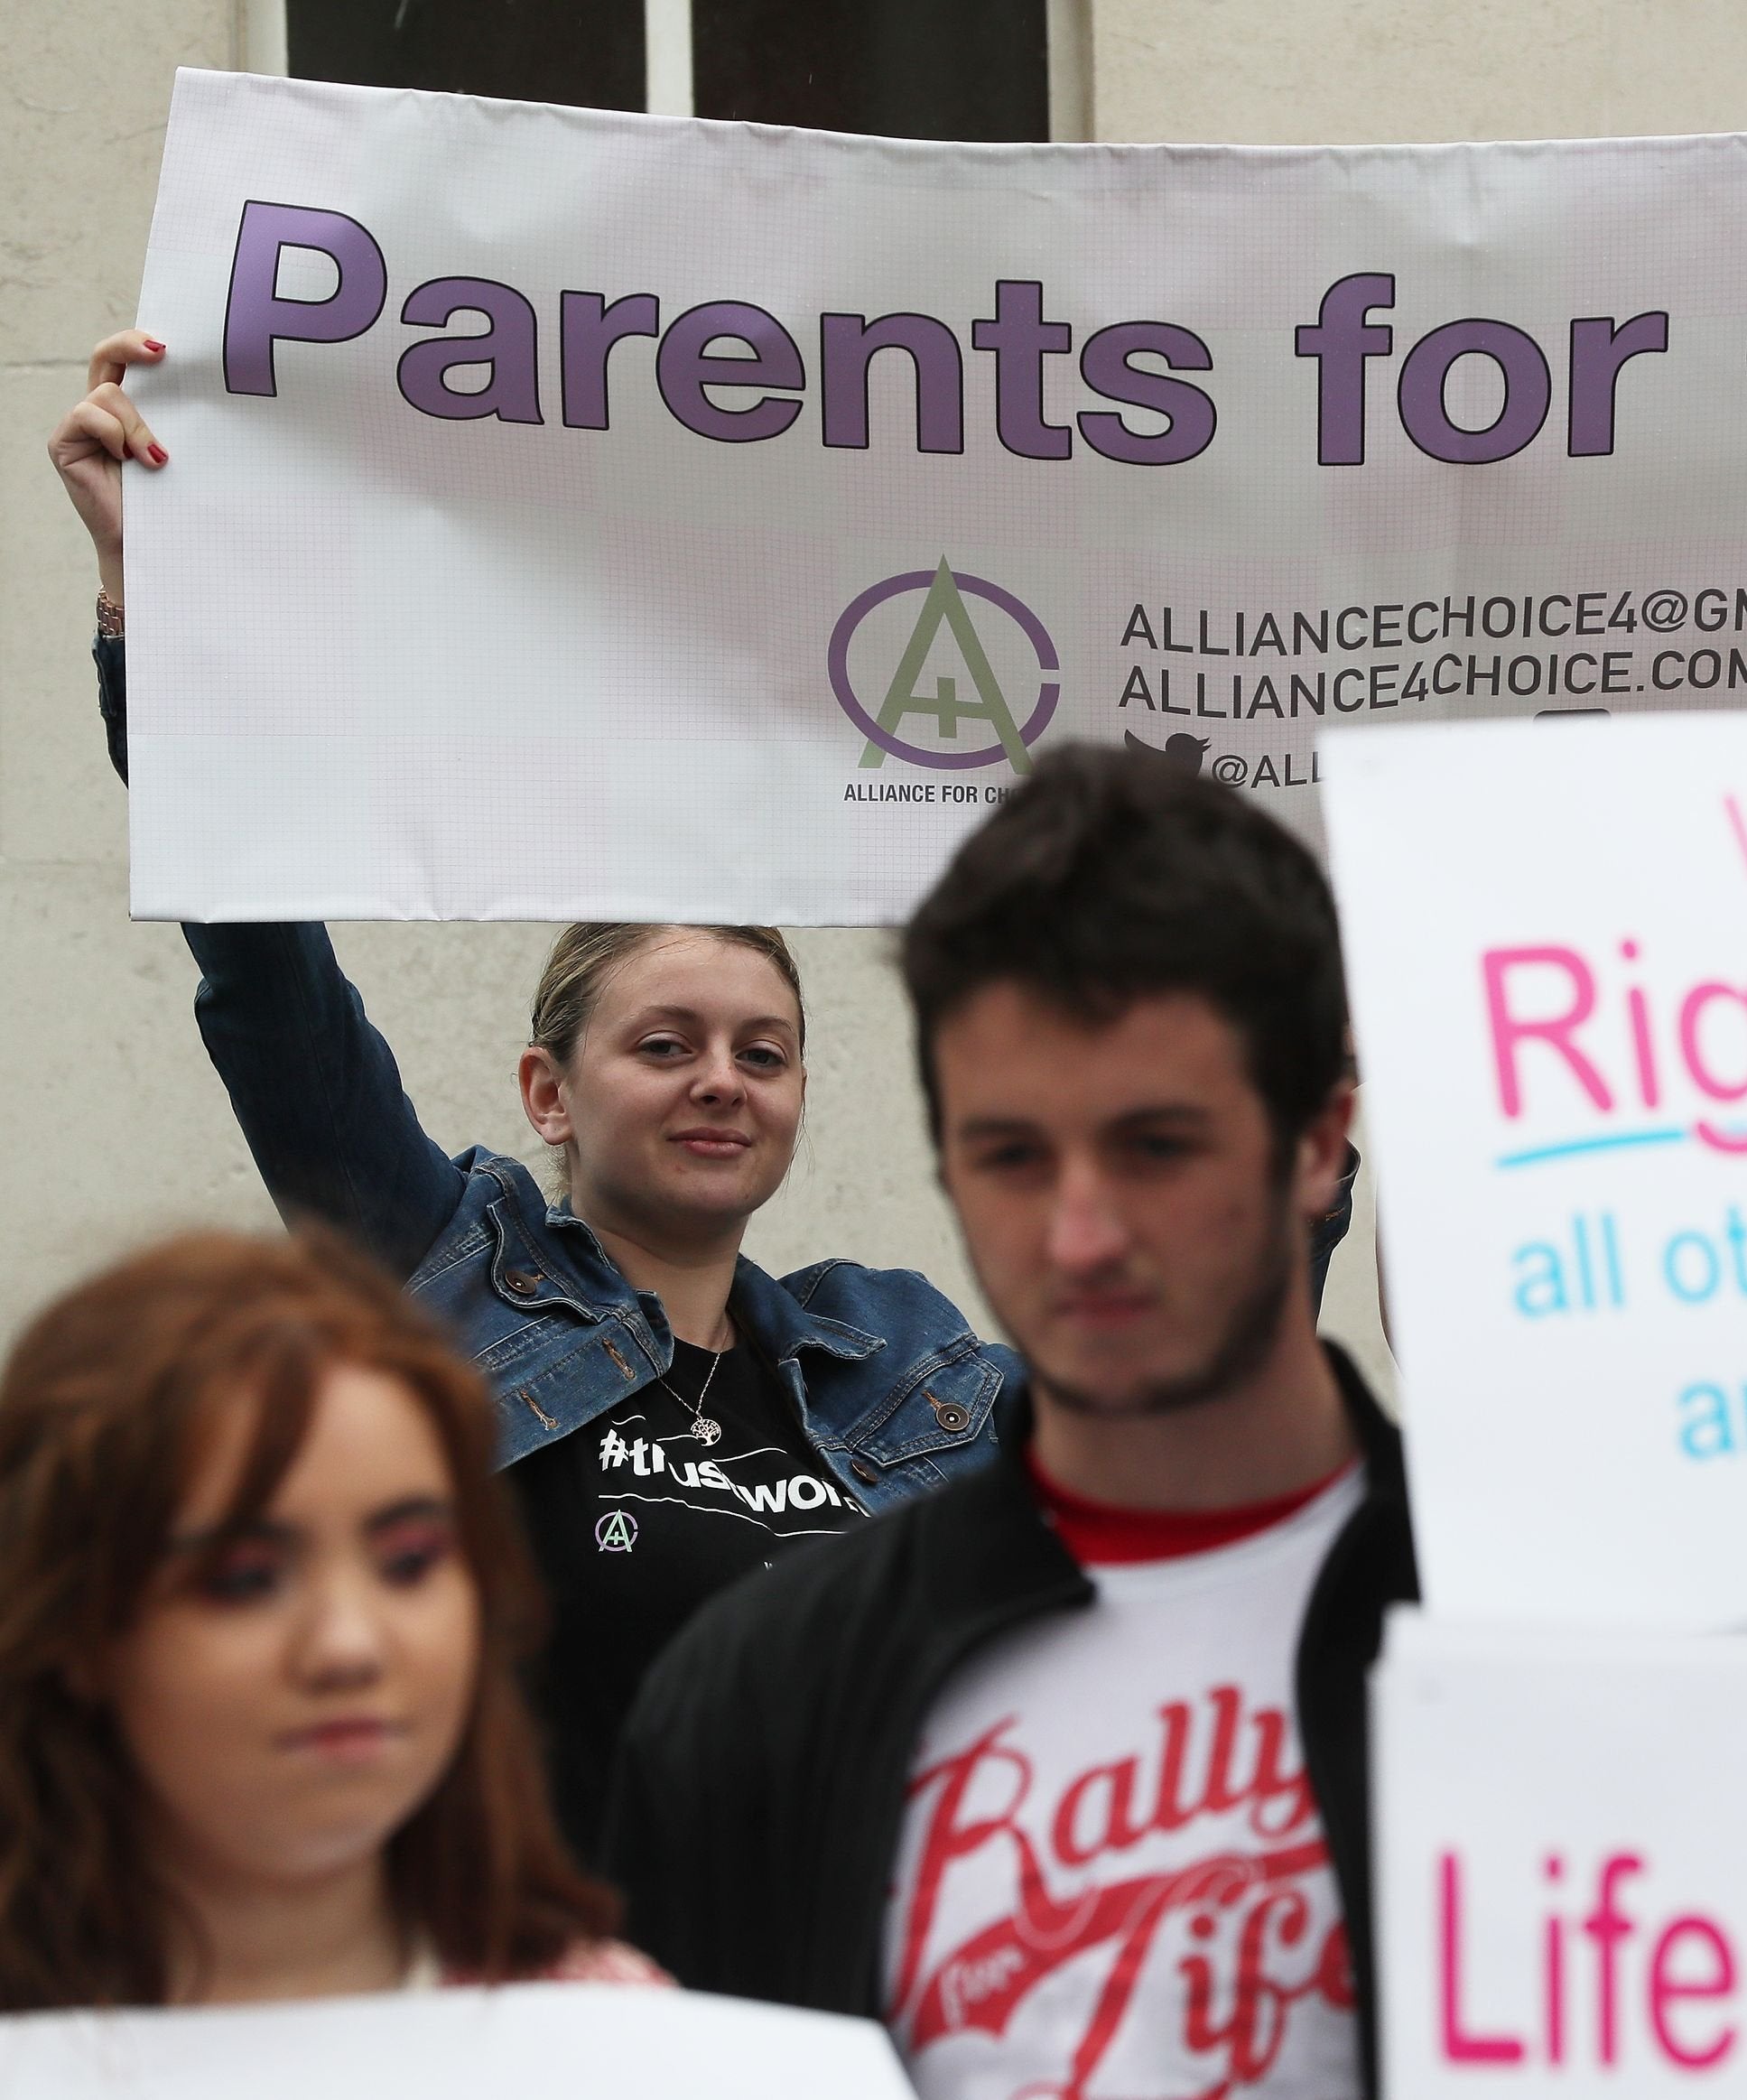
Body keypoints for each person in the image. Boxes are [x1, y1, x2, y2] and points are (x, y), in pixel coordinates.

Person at [45, 327, 1058, 1857]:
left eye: (761, 1051)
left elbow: (1164, 1427)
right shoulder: (443, 1264)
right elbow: (267, 981)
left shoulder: (909, 1358)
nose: (721, 1080)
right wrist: (160, 609)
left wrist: (1300, 1120)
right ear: (549, 1088)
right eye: (665, 1045)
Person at [600, 744, 1408, 2100]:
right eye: (1013, 1155)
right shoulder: (763, 1692)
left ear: (1321, 1143)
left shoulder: (1528, 1620)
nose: (1080, 1234)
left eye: (1159, 1145)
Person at [0, 1230, 660, 2008]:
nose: (350, 1645)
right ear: (76, 1627)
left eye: (411, 1562)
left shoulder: (612, 2034)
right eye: (245, 1579)